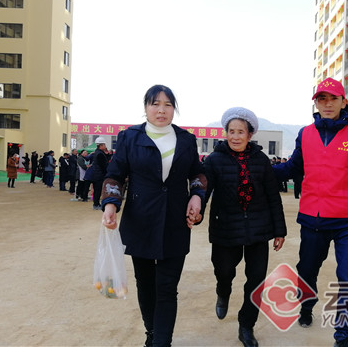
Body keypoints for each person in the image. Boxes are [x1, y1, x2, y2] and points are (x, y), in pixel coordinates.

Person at [273, 78, 348, 347]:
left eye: (333, 98)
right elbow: (292, 168)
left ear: (344, 101)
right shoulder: (305, 133)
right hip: (313, 219)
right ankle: (307, 305)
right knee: (307, 270)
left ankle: (345, 338)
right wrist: (257, 168)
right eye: (322, 99)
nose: (328, 103)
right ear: (316, 103)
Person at [101, 84, 207, 347]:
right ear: (146, 107)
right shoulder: (130, 137)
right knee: (146, 285)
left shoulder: (185, 139)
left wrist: (196, 195)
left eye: (168, 104)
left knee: (168, 288)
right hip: (141, 220)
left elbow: (197, 173)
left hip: (175, 221)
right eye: (155, 103)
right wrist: (111, 204)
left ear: (174, 109)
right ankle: (151, 332)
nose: (161, 110)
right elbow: (115, 174)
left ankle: (162, 342)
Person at [203, 107, 287, 347]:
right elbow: (204, 192)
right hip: (225, 229)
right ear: (226, 133)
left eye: (241, 131)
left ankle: (246, 326)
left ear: (250, 135)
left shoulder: (261, 160)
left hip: (258, 229)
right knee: (225, 271)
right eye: (231, 131)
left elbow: (273, 196)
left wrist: (279, 230)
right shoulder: (215, 160)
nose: (235, 136)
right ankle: (223, 291)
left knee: (257, 280)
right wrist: (195, 214)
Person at [85, 138, 109, 210]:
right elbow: (104, 165)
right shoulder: (100, 154)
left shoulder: (97, 152)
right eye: (104, 144)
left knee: (97, 190)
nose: (105, 146)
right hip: (99, 175)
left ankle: (96, 203)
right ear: (101, 145)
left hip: (96, 174)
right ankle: (96, 204)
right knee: (98, 190)